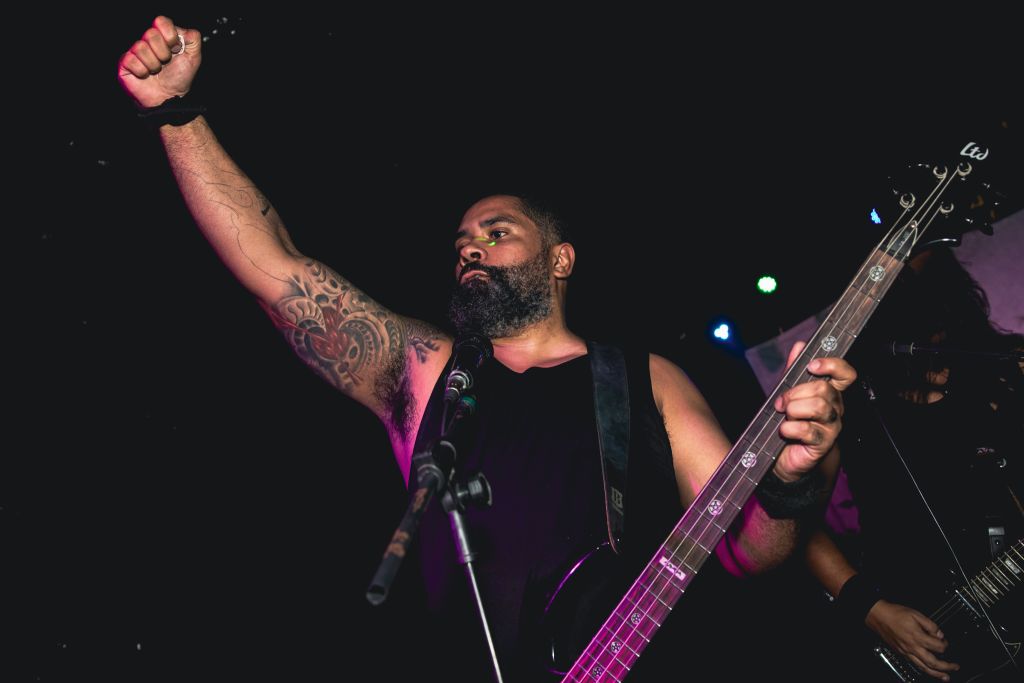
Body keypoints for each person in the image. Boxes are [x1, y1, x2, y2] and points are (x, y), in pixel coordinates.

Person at [118, 16, 857, 681]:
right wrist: (175, 113)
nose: (470, 248)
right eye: (462, 242)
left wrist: (797, 476)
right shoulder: (425, 372)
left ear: (561, 259)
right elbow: (274, 268)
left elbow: (746, 550)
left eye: (496, 233)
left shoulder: (646, 377)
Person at [804, 246, 1023, 682]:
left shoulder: (1007, 370)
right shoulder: (852, 402)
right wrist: (872, 610)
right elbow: (798, 525)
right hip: (904, 628)